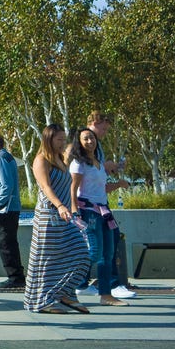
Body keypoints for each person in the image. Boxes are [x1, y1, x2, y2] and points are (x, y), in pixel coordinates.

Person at [23, 124, 90, 315]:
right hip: (49, 216)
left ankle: (64, 293)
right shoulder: (41, 160)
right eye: (59, 139)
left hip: (65, 217)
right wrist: (60, 206)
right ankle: (42, 300)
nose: (62, 143)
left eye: (64, 139)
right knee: (47, 261)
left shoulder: (61, 160)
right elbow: (45, 187)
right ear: (49, 140)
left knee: (81, 254)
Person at [68, 127, 129, 306]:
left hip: (103, 211)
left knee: (108, 253)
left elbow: (102, 189)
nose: (90, 141)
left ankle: (106, 295)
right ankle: (67, 284)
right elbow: (73, 188)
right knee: (94, 252)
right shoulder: (78, 163)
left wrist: (118, 184)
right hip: (88, 211)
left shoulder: (98, 163)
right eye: (85, 139)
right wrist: (74, 211)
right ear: (79, 142)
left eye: (92, 138)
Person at [79, 111, 137, 300]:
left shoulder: (98, 151)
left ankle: (102, 287)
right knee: (97, 249)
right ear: (93, 123)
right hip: (89, 208)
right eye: (102, 128)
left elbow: (99, 181)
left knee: (108, 244)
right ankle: (102, 282)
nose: (102, 134)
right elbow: (75, 184)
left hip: (101, 205)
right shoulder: (81, 154)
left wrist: (112, 171)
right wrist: (73, 210)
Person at [0, 133, 25, 288]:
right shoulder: (8, 157)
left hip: (6, 209)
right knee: (10, 243)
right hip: (11, 207)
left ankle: (15, 277)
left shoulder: (1, 159)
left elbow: (6, 185)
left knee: (6, 244)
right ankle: (17, 276)